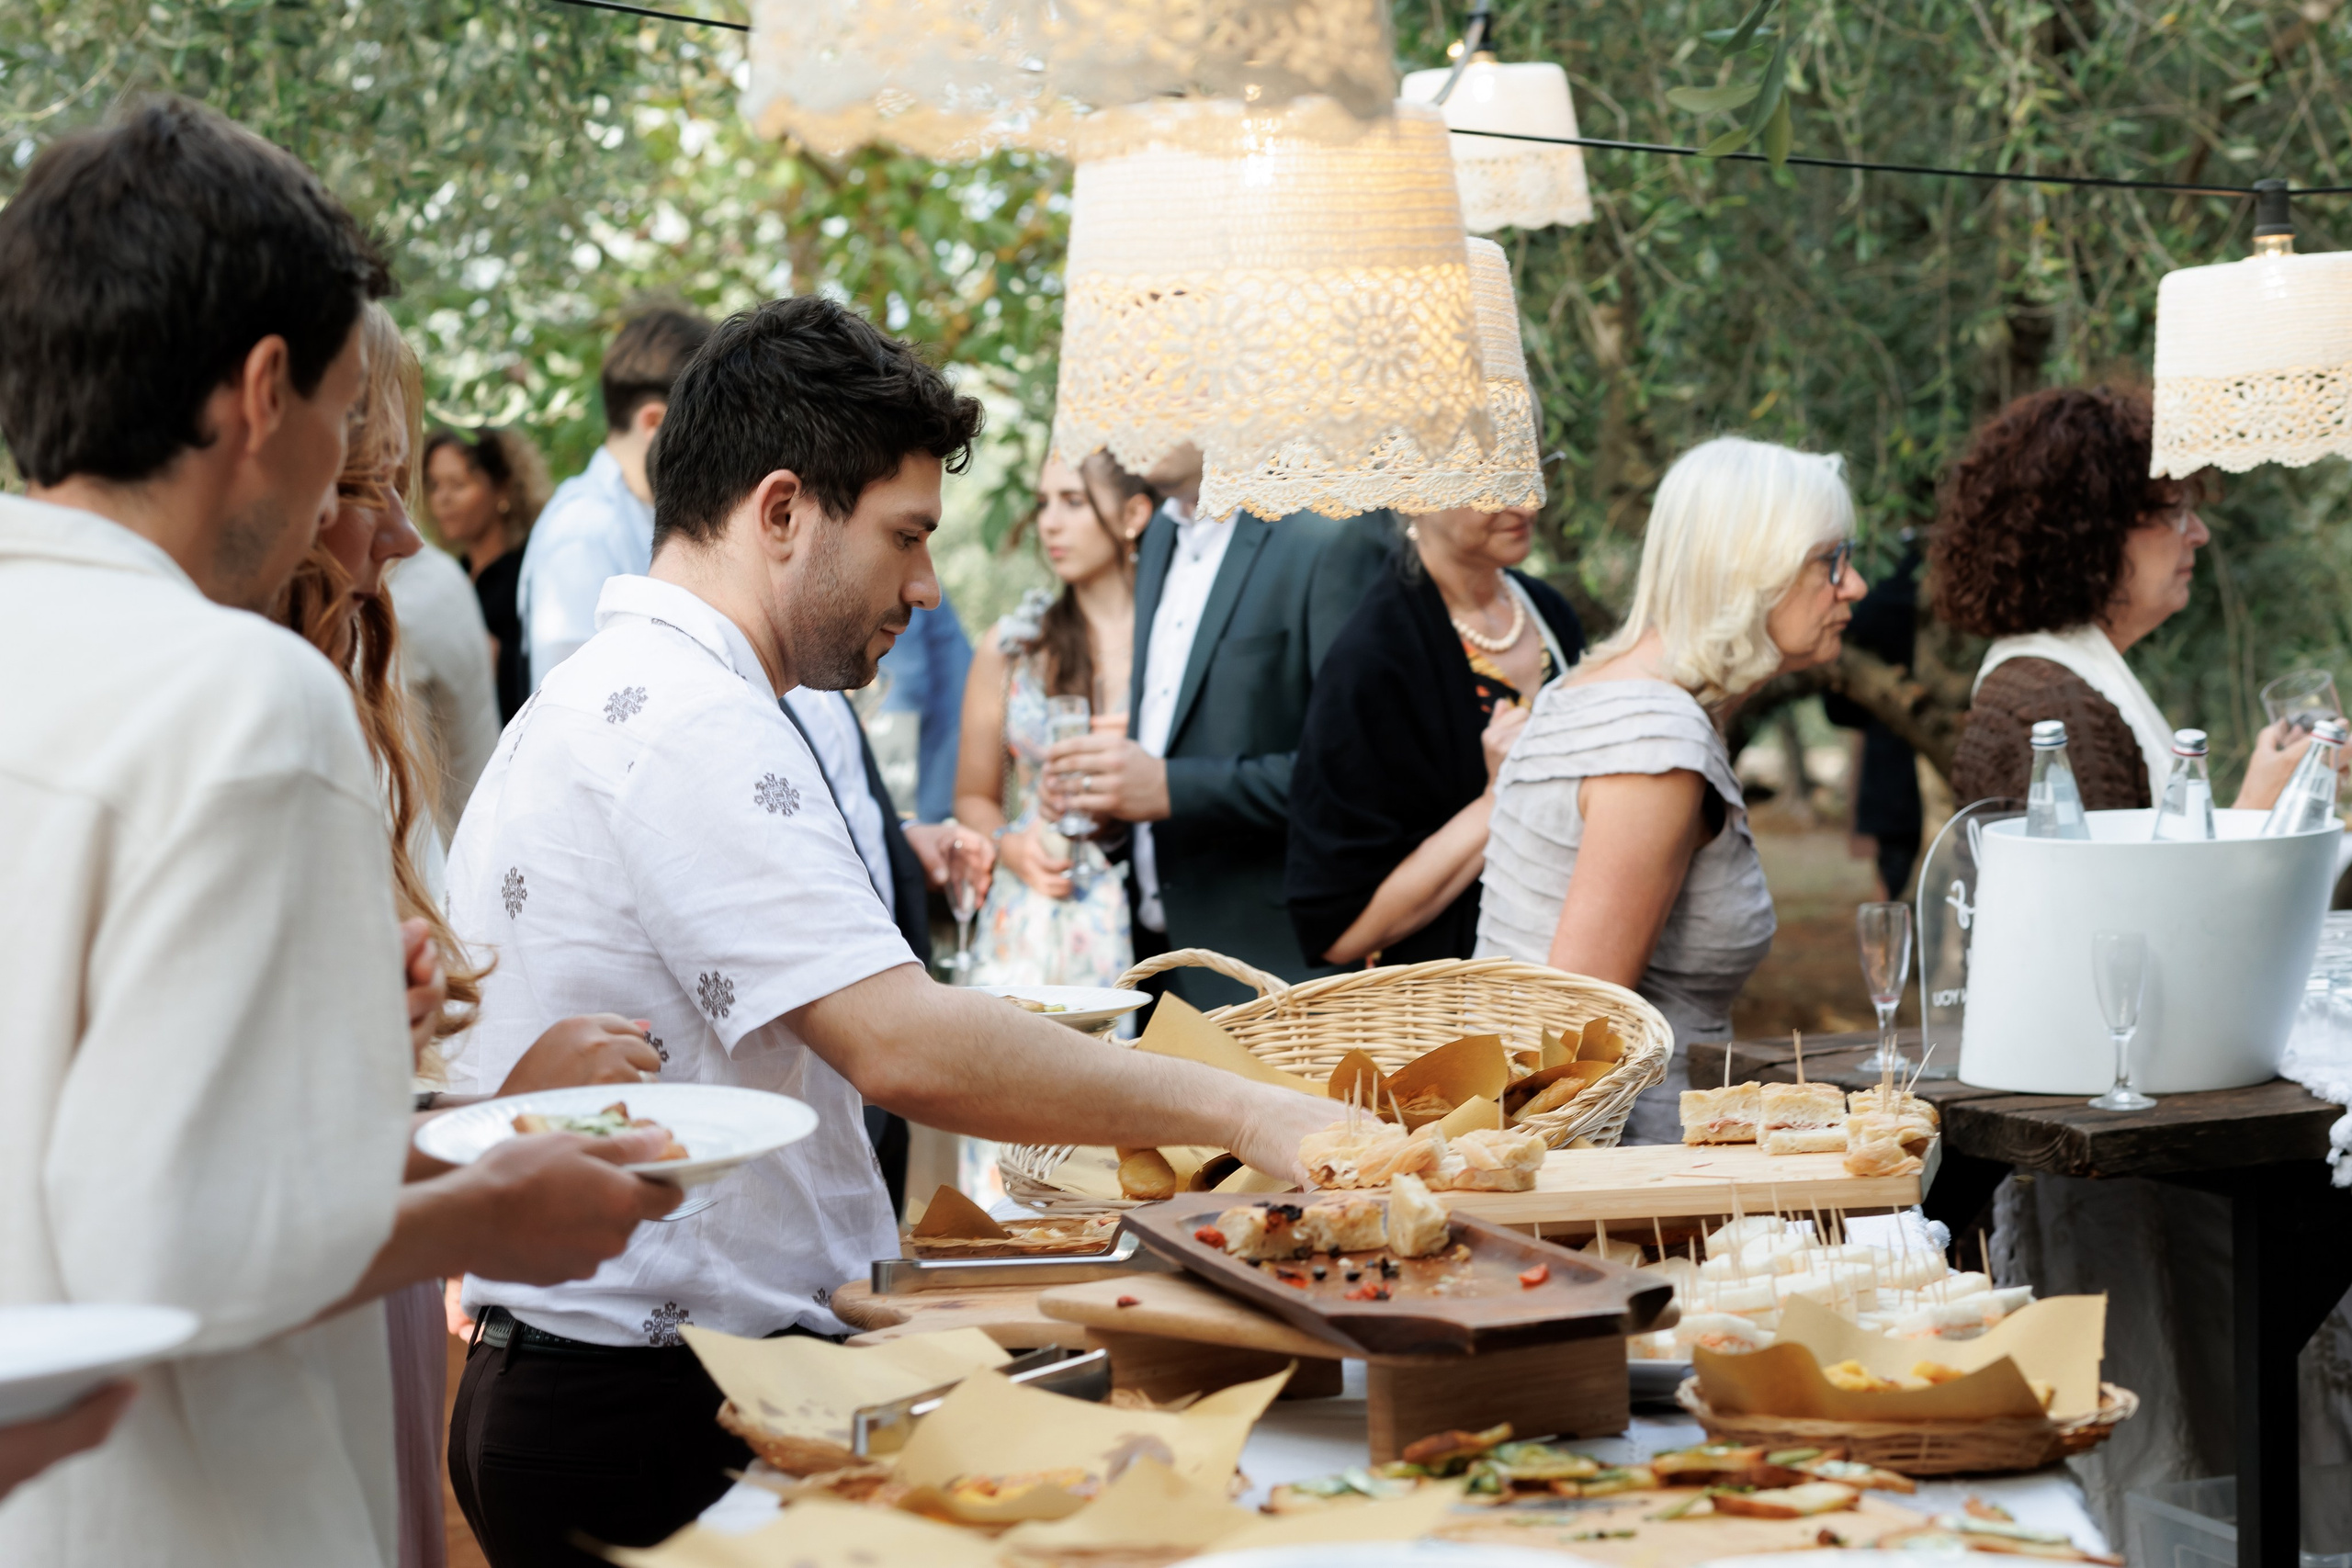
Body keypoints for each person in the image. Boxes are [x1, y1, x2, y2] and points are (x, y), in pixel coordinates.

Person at [438, 296, 1339, 1565]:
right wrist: (1245, 1111)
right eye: (906, 536)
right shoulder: (695, 719)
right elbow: (900, 1043)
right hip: (652, 1399)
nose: (925, 585)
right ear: (783, 510)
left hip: (631, 1377)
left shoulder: (622, 688)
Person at [0, 97, 673, 1568]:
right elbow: (171, 1241)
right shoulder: (242, 695)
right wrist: (491, 1211)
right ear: (263, 393)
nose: (347, 500)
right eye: (343, 416)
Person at [1476, 436, 1867, 1145]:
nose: (1855, 585)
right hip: (1629, 1171)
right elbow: (1575, 1050)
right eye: (1829, 560)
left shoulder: (1605, 692)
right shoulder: (1654, 741)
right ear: (1752, 568)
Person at [1043, 443, 1392, 1007]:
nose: (1134, 412)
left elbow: (1363, 777)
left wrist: (1169, 789)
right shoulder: (1159, 535)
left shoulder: (1328, 531)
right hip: (1151, 965)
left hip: (1278, 974)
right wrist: (1111, 804)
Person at [1936, 384, 2307, 811]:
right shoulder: (2056, 709)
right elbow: (2109, 857)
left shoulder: (2051, 683)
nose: (2199, 534)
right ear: (2094, 533)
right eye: (2174, 512)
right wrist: (2259, 807)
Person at [1287, 506, 1584, 969]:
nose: (1526, 504)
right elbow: (1339, 931)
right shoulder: (1369, 660)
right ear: (1414, 492)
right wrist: (1497, 798)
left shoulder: (1547, 610)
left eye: (1526, 476)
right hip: (1462, 996)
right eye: (1488, 484)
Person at [956, 453, 1154, 987]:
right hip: (1038, 921)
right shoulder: (1013, 647)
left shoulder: (1173, 646)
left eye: (1074, 501)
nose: (1049, 522)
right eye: (1043, 503)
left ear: (1133, 515)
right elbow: (972, 798)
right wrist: (1012, 849)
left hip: (1161, 916)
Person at [517, 307, 714, 691]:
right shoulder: (582, 533)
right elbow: (576, 701)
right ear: (655, 423)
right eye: (710, 427)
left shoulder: (640, 510)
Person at [423, 426, 549, 722]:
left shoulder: (530, 573)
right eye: (435, 485)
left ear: (502, 488)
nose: (443, 498)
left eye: (458, 484)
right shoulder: (450, 574)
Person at [1822, 535, 1923, 900]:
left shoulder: (1881, 588)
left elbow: (1839, 710)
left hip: (1892, 775)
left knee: (1895, 879)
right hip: (1901, 770)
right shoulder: (1917, 584)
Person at [388, 537, 501, 843]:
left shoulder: (399, 611)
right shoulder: (444, 572)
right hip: (483, 828)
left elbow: (404, 811)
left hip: (447, 850)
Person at [876, 592, 975, 821]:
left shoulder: (898, 588)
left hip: (932, 768)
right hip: (949, 758)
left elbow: (901, 690)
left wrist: (893, 817)